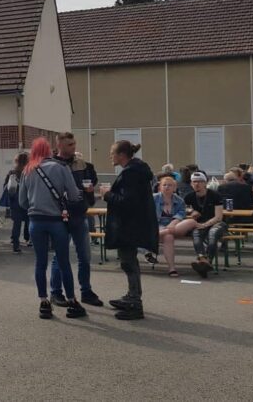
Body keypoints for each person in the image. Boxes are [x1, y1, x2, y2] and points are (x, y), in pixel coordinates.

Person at [19, 138, 84, 320]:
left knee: (40, 263)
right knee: (63, 262)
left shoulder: (27, 170)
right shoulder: (61, 168)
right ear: (49, 150)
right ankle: (71, 301)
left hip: (35, 221)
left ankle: (44, 302)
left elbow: (22, 201)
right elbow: (73, 195)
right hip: (56, 220)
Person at [101, 141, 157, 320]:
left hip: (129, 226)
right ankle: (132, 295)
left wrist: (107, 194)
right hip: (134, 224)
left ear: (122, 155)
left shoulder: (130, 173)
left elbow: (127, 201)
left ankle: (134, 302)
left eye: (112, 152)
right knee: (128, 261)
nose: (110, 156)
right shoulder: (137, 169)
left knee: (128, 262)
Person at [50, 133, 103, 308]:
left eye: (74, 143)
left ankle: (86, 291)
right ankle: (56, 293)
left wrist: (87, 198)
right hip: (60, 217)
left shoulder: (84, 165)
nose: (73, 147)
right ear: (60, 146)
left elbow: (91, 183)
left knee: (84, 256)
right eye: (69, 144)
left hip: (80, 215)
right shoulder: (51, 165)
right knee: (60, 256)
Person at [183, 171, 228, 278]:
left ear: (205, 183)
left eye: (199, 182)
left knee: (212, 234)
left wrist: (205, 224)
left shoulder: (215, 195)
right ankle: (203, 259)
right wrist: (190, 211)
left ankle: (207, 262)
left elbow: (218, 217)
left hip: (217, 223)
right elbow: (182, 207)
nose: (197, 184)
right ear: (191, 183)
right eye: (194, 182)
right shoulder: (189, 196)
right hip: (200, 223)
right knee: (196, 234)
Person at [152, 176, 196, 277]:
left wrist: (172, 223)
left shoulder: (179, 200)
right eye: (164, 185)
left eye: (170, 185)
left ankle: (158, 234)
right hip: (157, 225)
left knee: (191, 221)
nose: (167, 187)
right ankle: (172, 268)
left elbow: (181, 214)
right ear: (160, 187)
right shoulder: (153, 198)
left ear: (174, 188)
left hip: (173, 227)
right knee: (169, 237)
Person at [218, 171, 253, 250]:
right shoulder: (246, 187)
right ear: (236, 179)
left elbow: (218, 202)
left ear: (225, 180)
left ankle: (223, 244)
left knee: (221, 219)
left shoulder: (221, 188)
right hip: (247, 219)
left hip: (229, 219)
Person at [3, 153, 29, 254]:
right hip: (26, 200)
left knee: (16, 224)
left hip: (15, 201)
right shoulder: (28, 172)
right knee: (29, 220)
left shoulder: (12, 172)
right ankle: (29, 239)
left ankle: (16, 244)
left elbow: (6, 186)